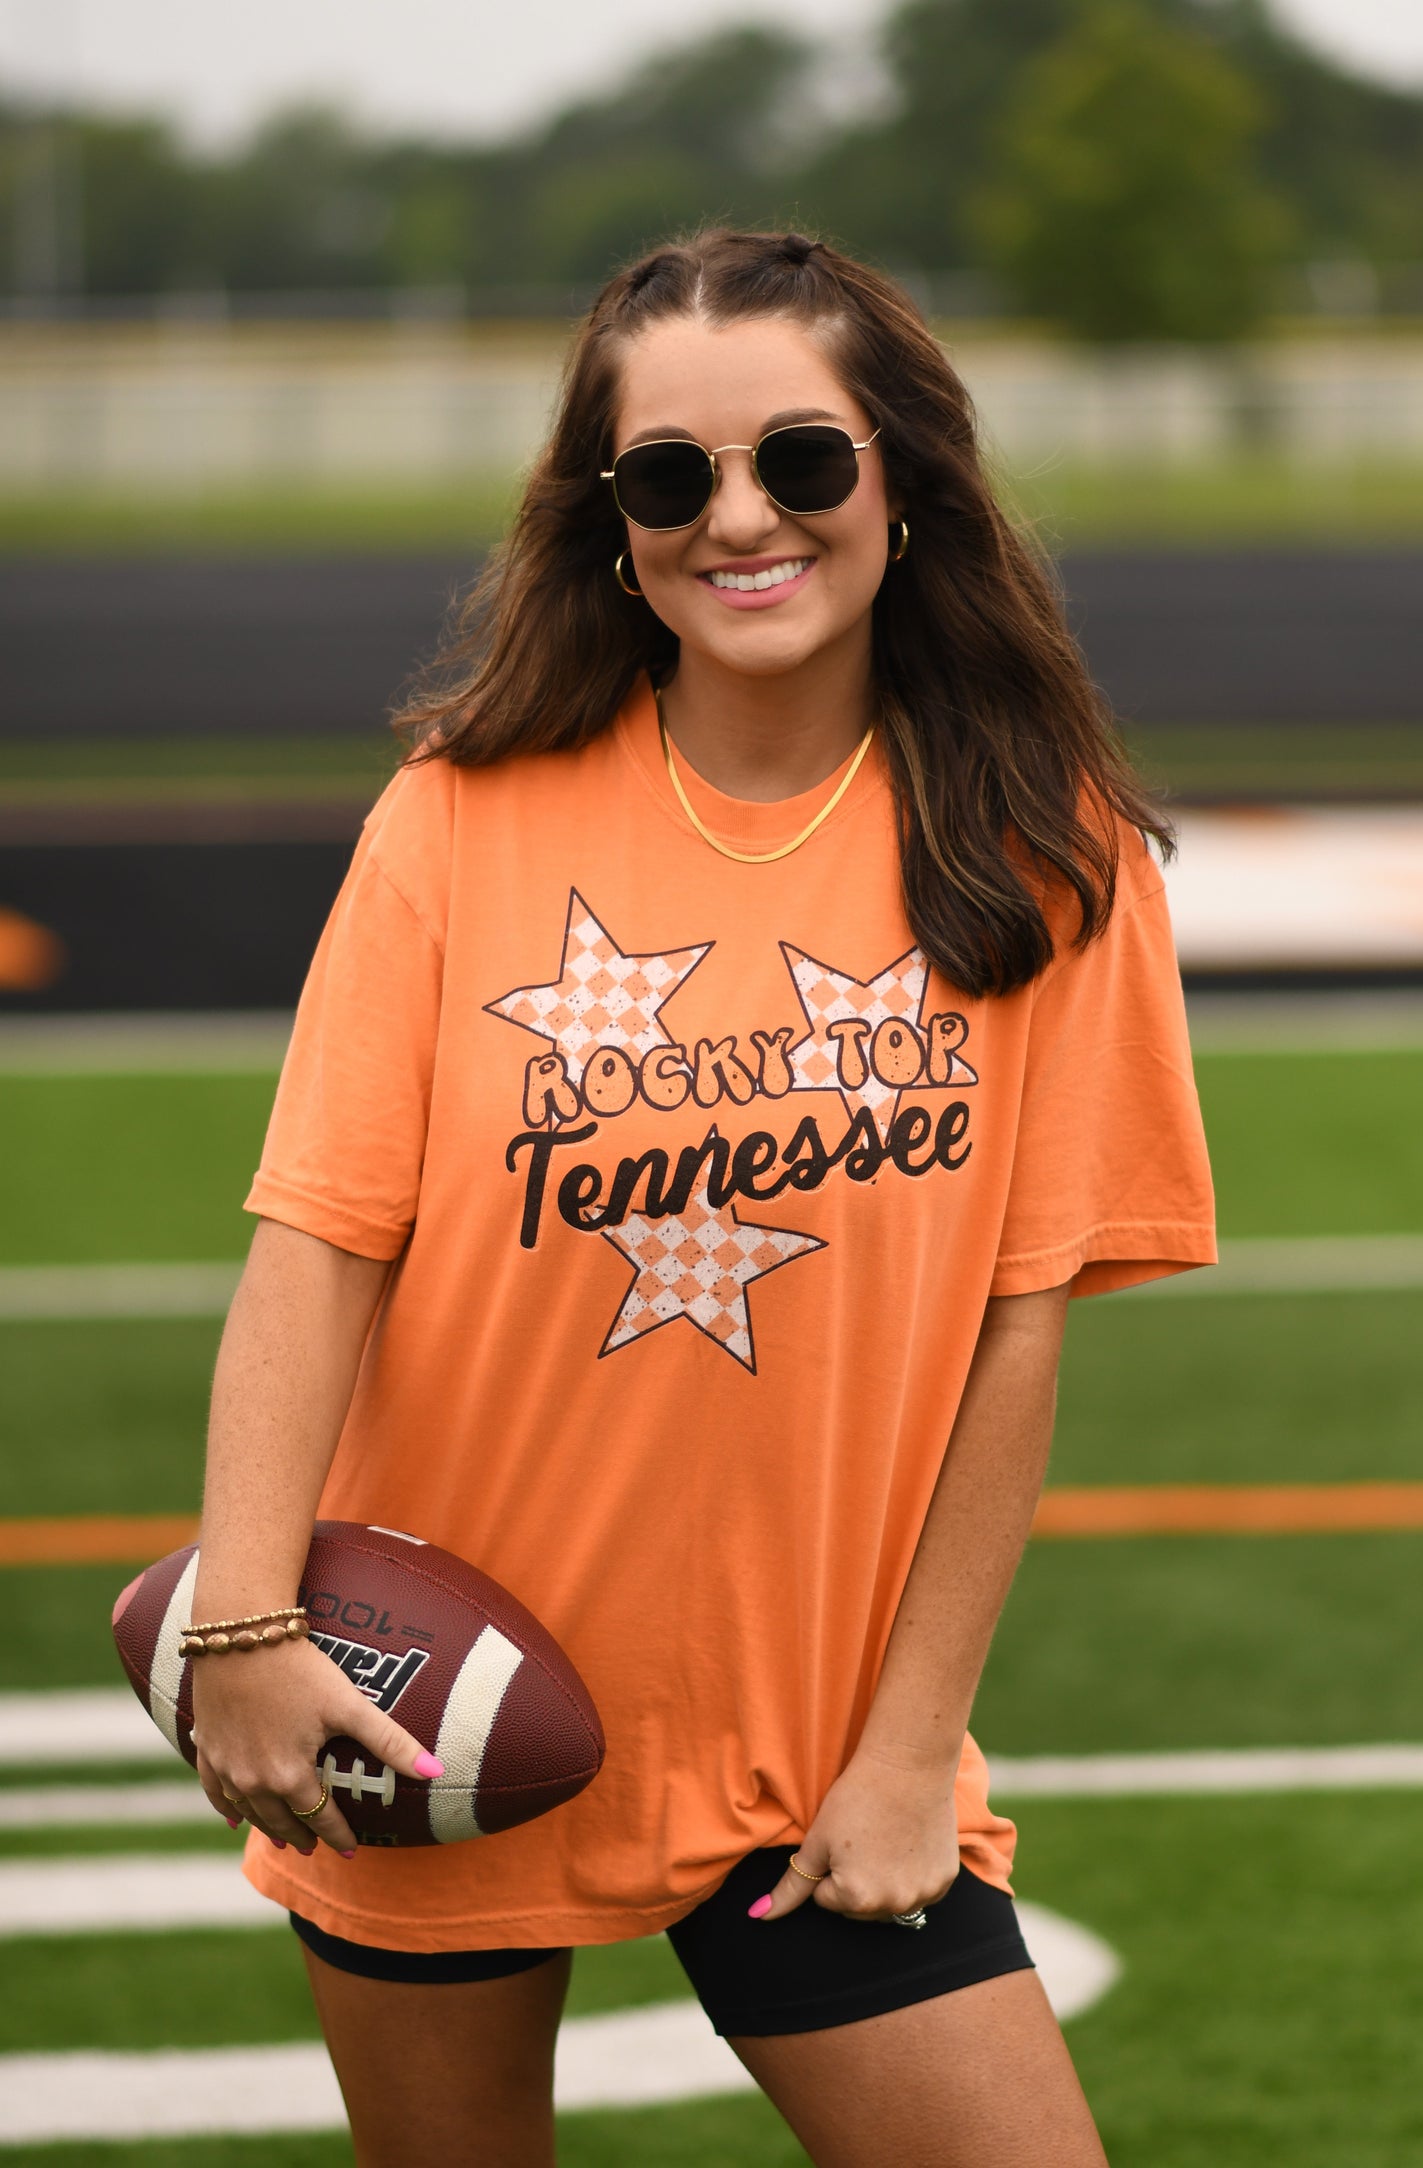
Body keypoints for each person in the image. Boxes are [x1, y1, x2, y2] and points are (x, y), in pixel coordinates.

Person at [188, 228, 1215, 2167]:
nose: (740, 515)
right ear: (612, 523)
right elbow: (316, 1245)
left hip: (816, 1745)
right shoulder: (455, 819)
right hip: (441, 1712)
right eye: (671, 476)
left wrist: (910, 1757)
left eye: (801, 459)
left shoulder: (1043, 846)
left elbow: (1019, 1330)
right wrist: (248, 1624)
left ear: (903, 482)